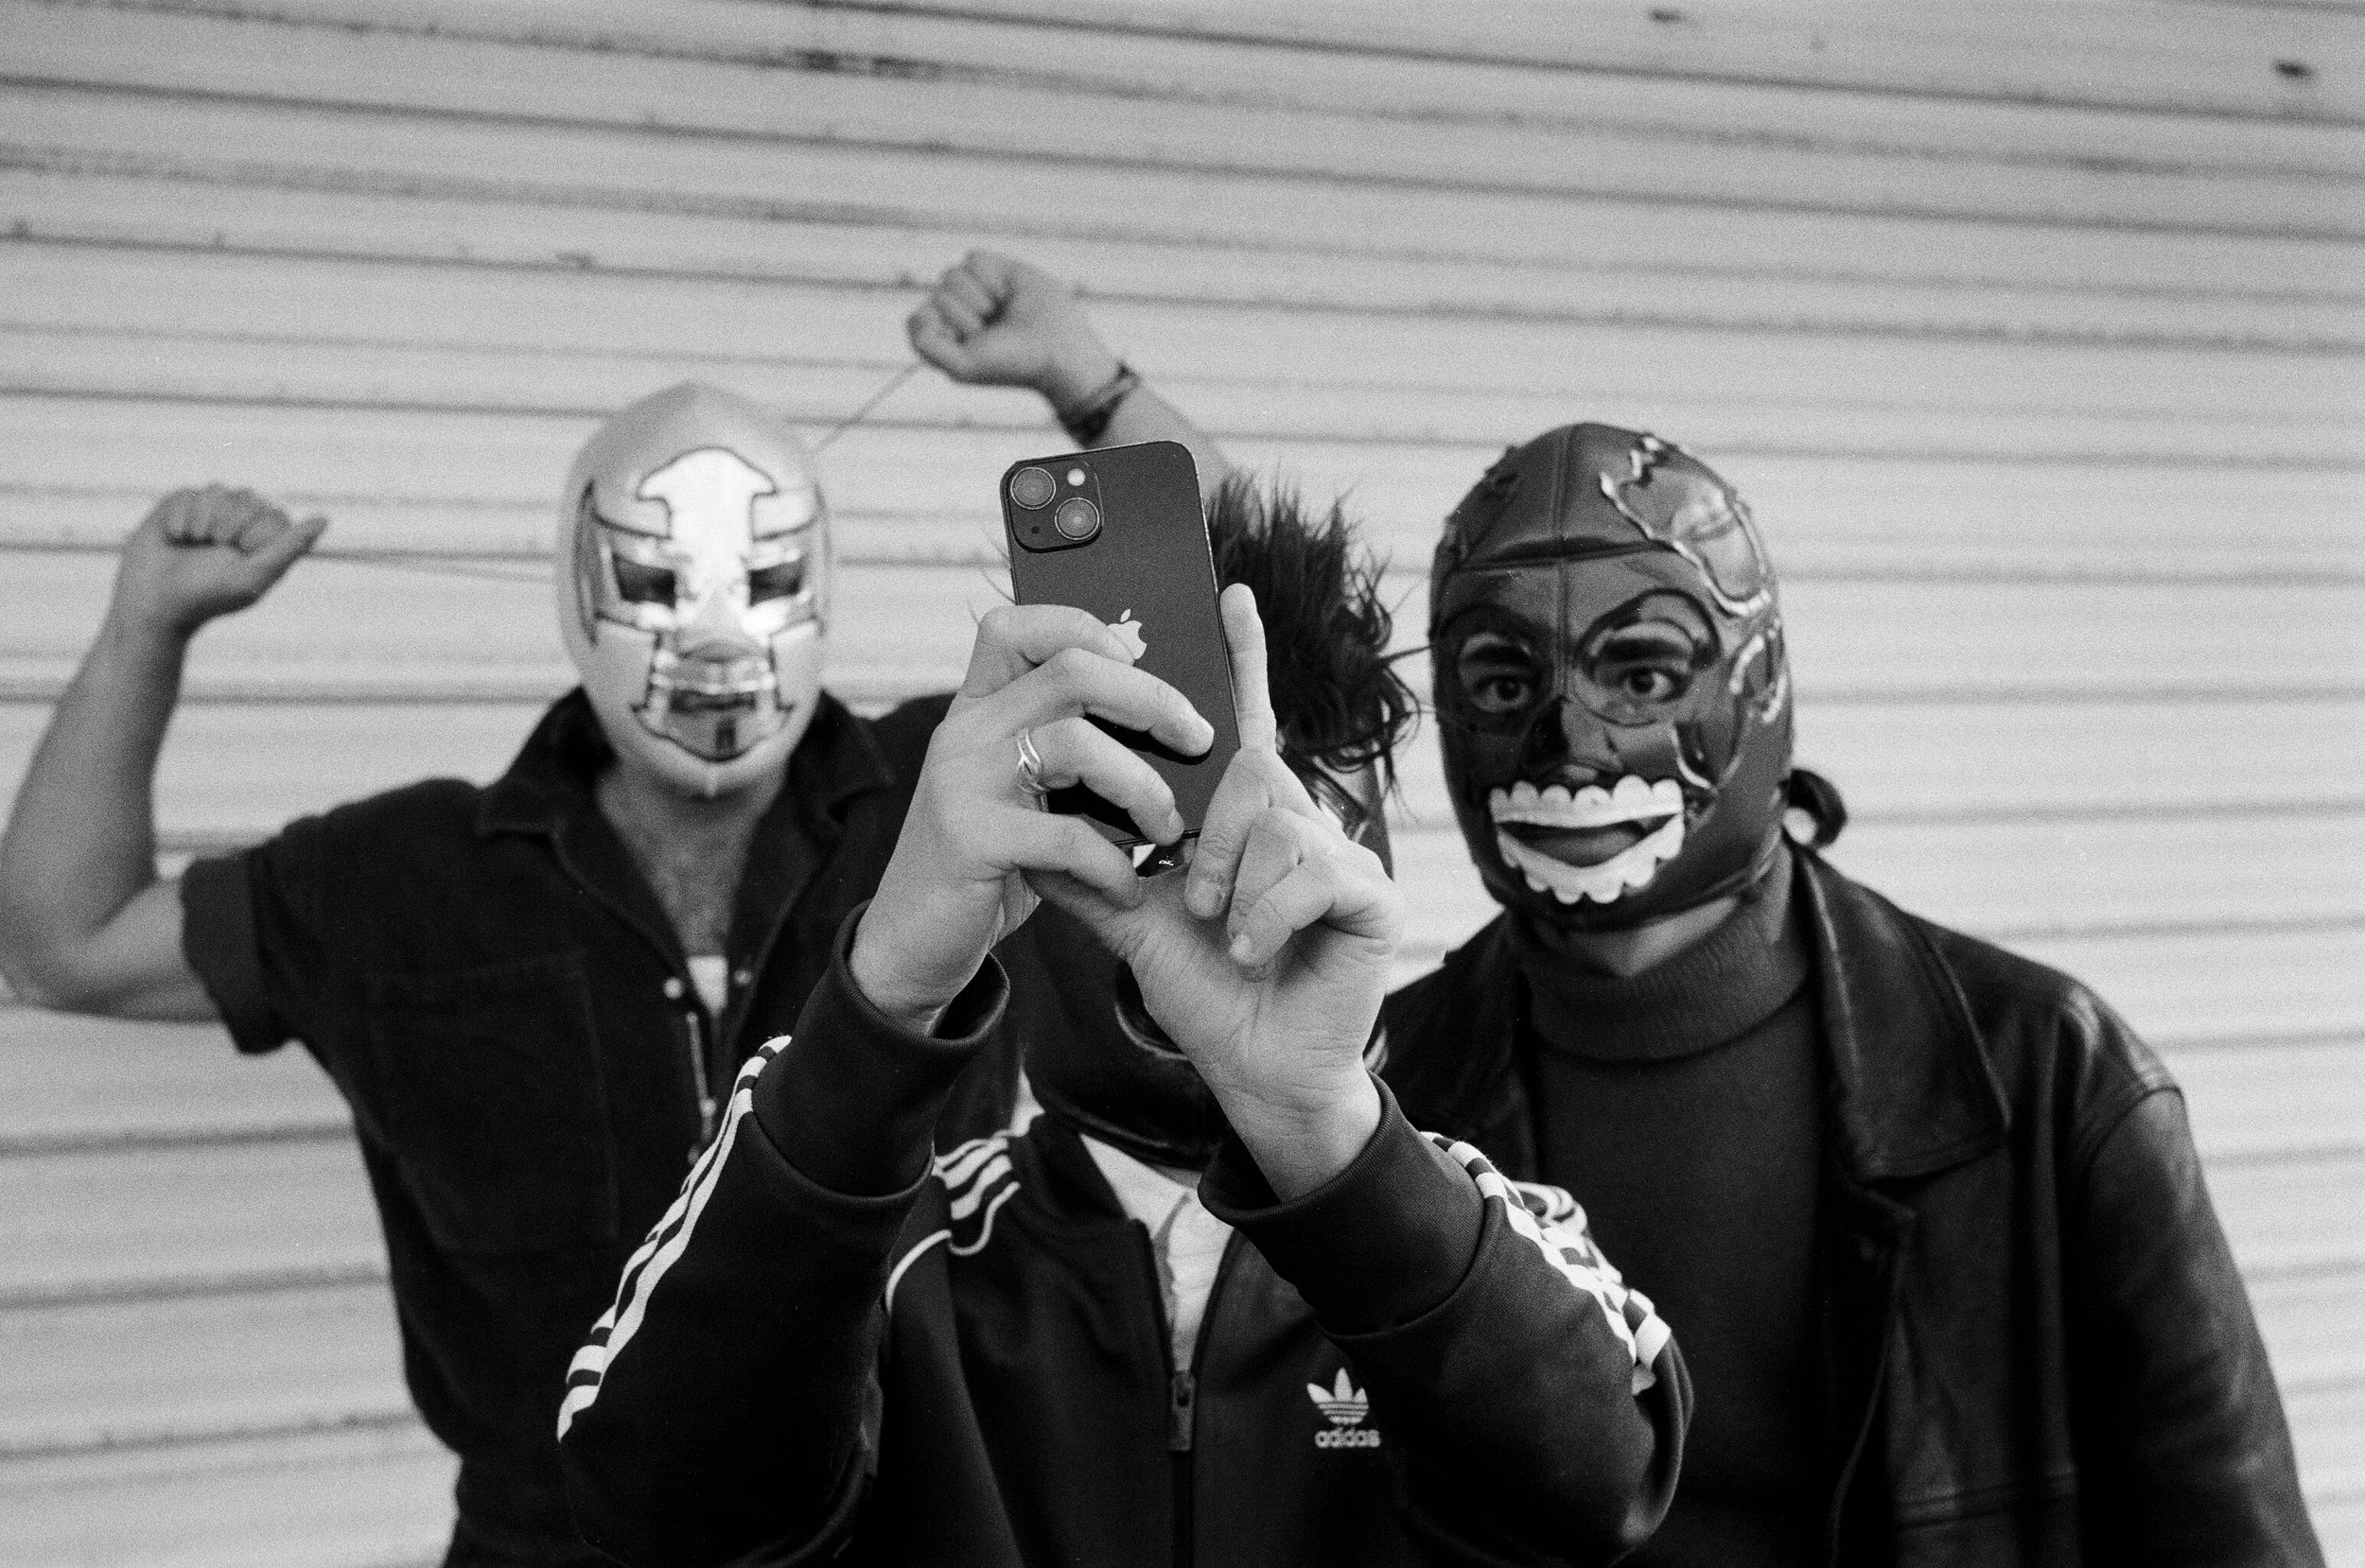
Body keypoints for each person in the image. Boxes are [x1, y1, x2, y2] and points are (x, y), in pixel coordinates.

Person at [0, 253, 1222, 1567]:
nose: (709, 638)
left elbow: (1202, 619)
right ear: (581, 584)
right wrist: (145, 629)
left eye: (760, 583)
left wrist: (1084, 380)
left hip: (915, 1516)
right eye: (655, 585)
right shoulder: (403, 878)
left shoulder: (961, 795)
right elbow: (63, 939)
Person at [553, 504, 1692, 1565]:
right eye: (1154, 825)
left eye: (1280, 847)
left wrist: (1319, 1125)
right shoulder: (895, 1247)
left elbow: (1602, 1491)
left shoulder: (1476, 1240)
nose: (1209, 898)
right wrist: (884, 1000)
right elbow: (654, 1512)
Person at [1382, 423, 2323, 1565]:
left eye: (1640, 673)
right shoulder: (1386, 1092)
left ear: (1761, 679)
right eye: (1501, 676)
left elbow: (2226, 1535)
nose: (1570, 740)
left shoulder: (2044, 1075)